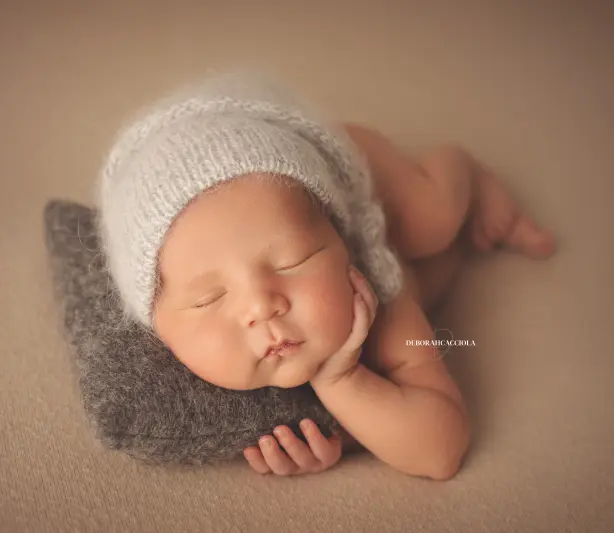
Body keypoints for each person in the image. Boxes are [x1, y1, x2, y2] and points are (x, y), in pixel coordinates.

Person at [96, 70, 556, 479]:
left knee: (431, 224)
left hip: (369, 173)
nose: (262, 306)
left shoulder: (376, 295)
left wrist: (344, 382)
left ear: (343, 246)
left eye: (292, 261)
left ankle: (466, 173)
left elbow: (441, 451)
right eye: (208, 298)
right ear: (158, 327)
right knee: (441, 268)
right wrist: (342, 442)